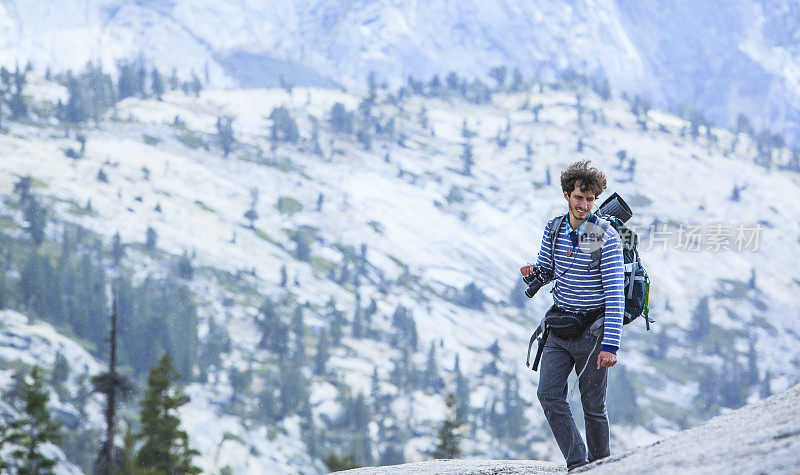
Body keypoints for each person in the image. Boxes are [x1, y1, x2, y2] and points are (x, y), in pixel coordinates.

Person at [521, 160, 624, 471]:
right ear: (567, 194)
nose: (584, 205)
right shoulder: (553, 229)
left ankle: (601, 465)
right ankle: (578, 464)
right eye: (579, 197)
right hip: (559, 326)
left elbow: (615, 292)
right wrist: (532, 274)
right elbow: (548, 269)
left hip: (593, 332)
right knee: (549, 395)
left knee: (593, 407)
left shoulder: (603, 235)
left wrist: (611, 346)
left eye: (590, 199)